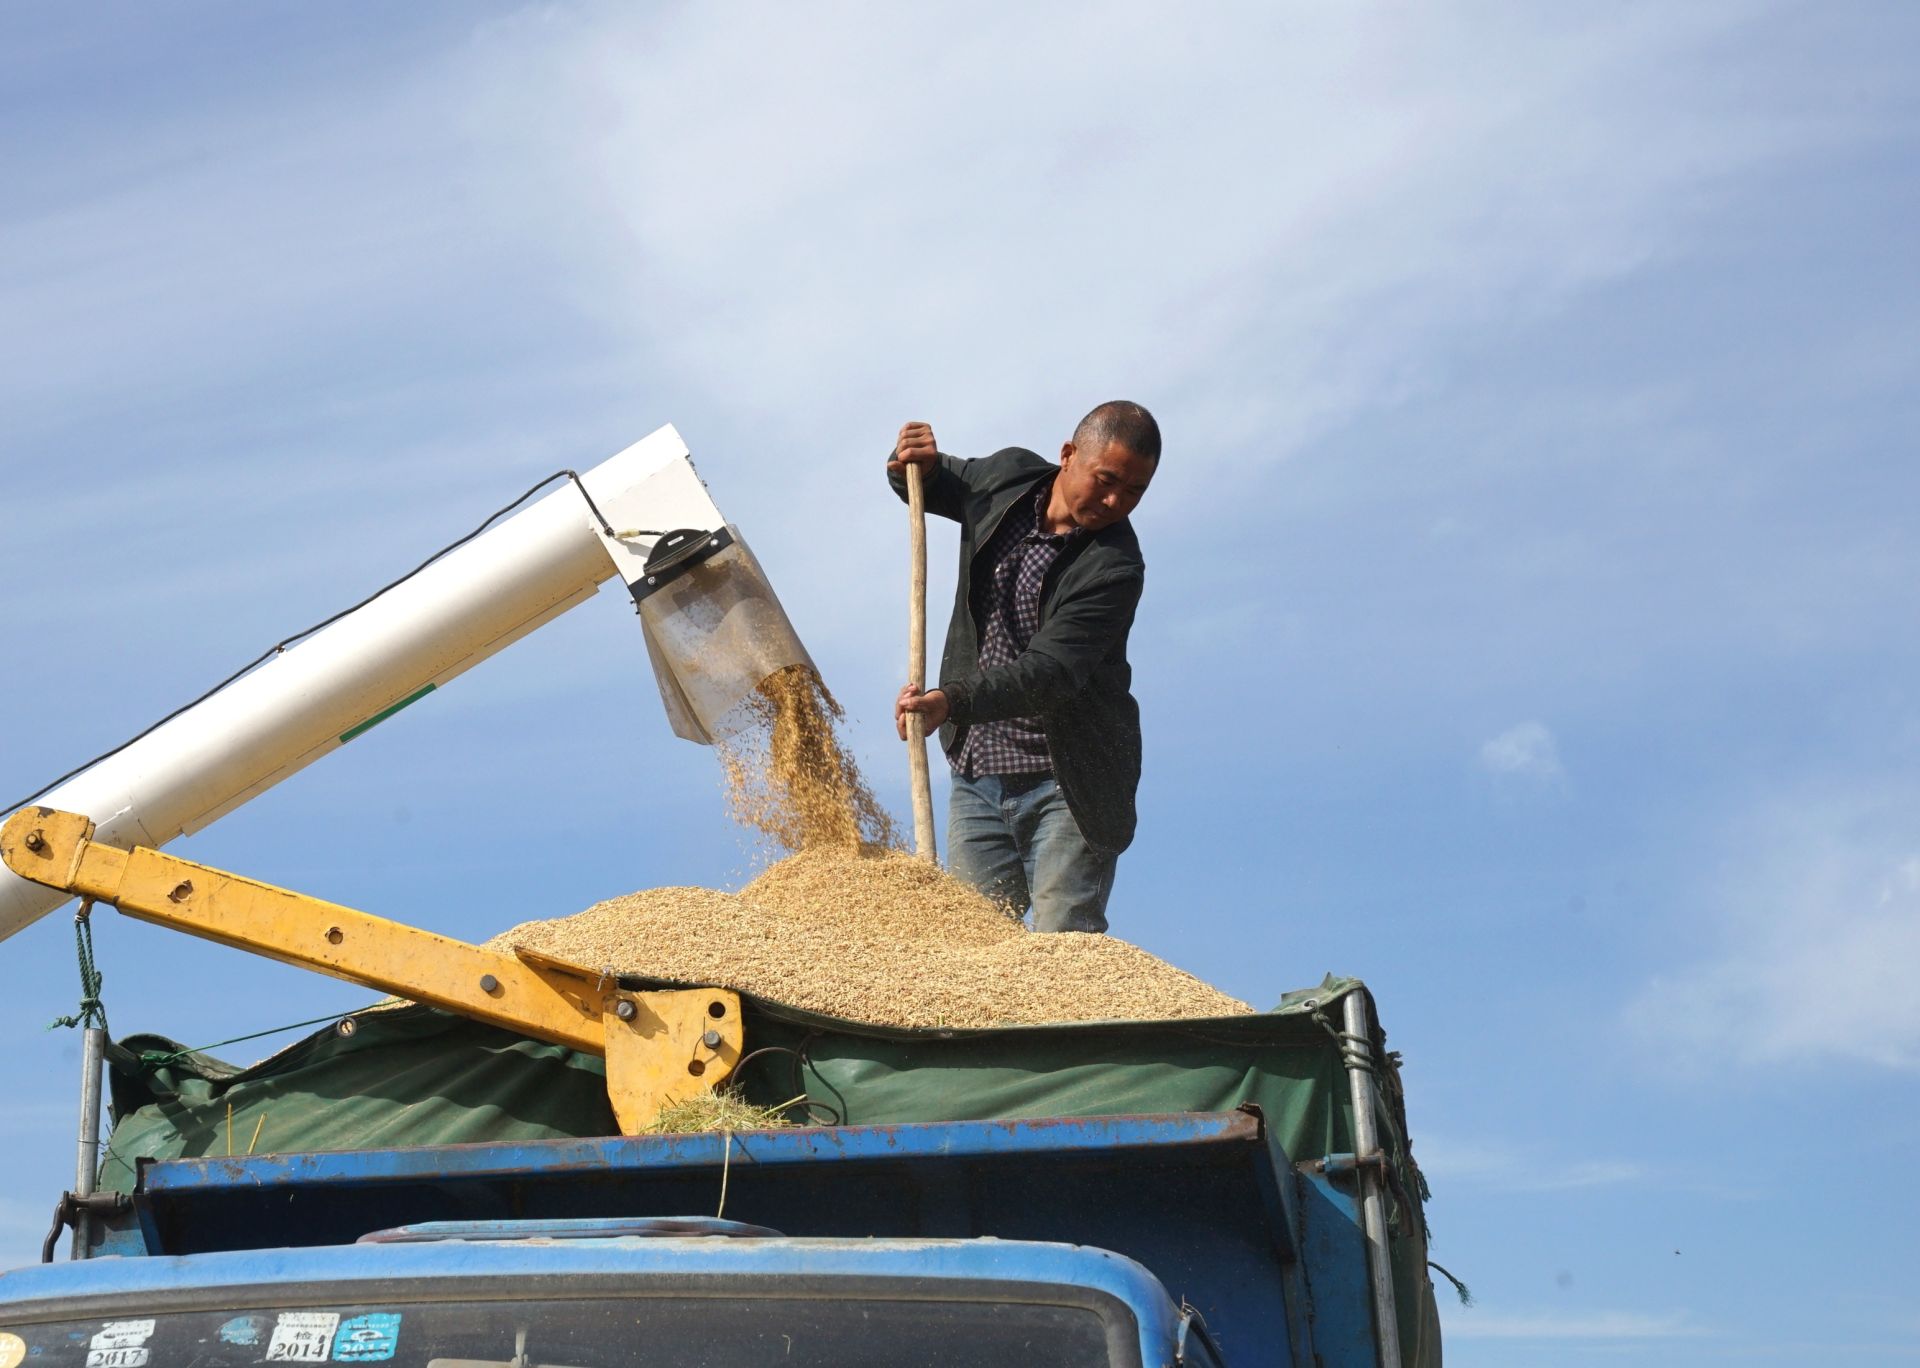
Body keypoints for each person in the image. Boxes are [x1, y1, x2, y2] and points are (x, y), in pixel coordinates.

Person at [888, 401, 1158, 933]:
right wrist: (906, 463)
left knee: (1062, 950)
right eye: (1106, 480)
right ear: (1067, 455)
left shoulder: (1115, 567)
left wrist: (951, 699)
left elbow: (1050, 672)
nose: (1114, 501)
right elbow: (929, 483)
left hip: (1067, 785)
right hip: (978, 775)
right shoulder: (1005, 479)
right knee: (976, 954)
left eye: (1133, 492)